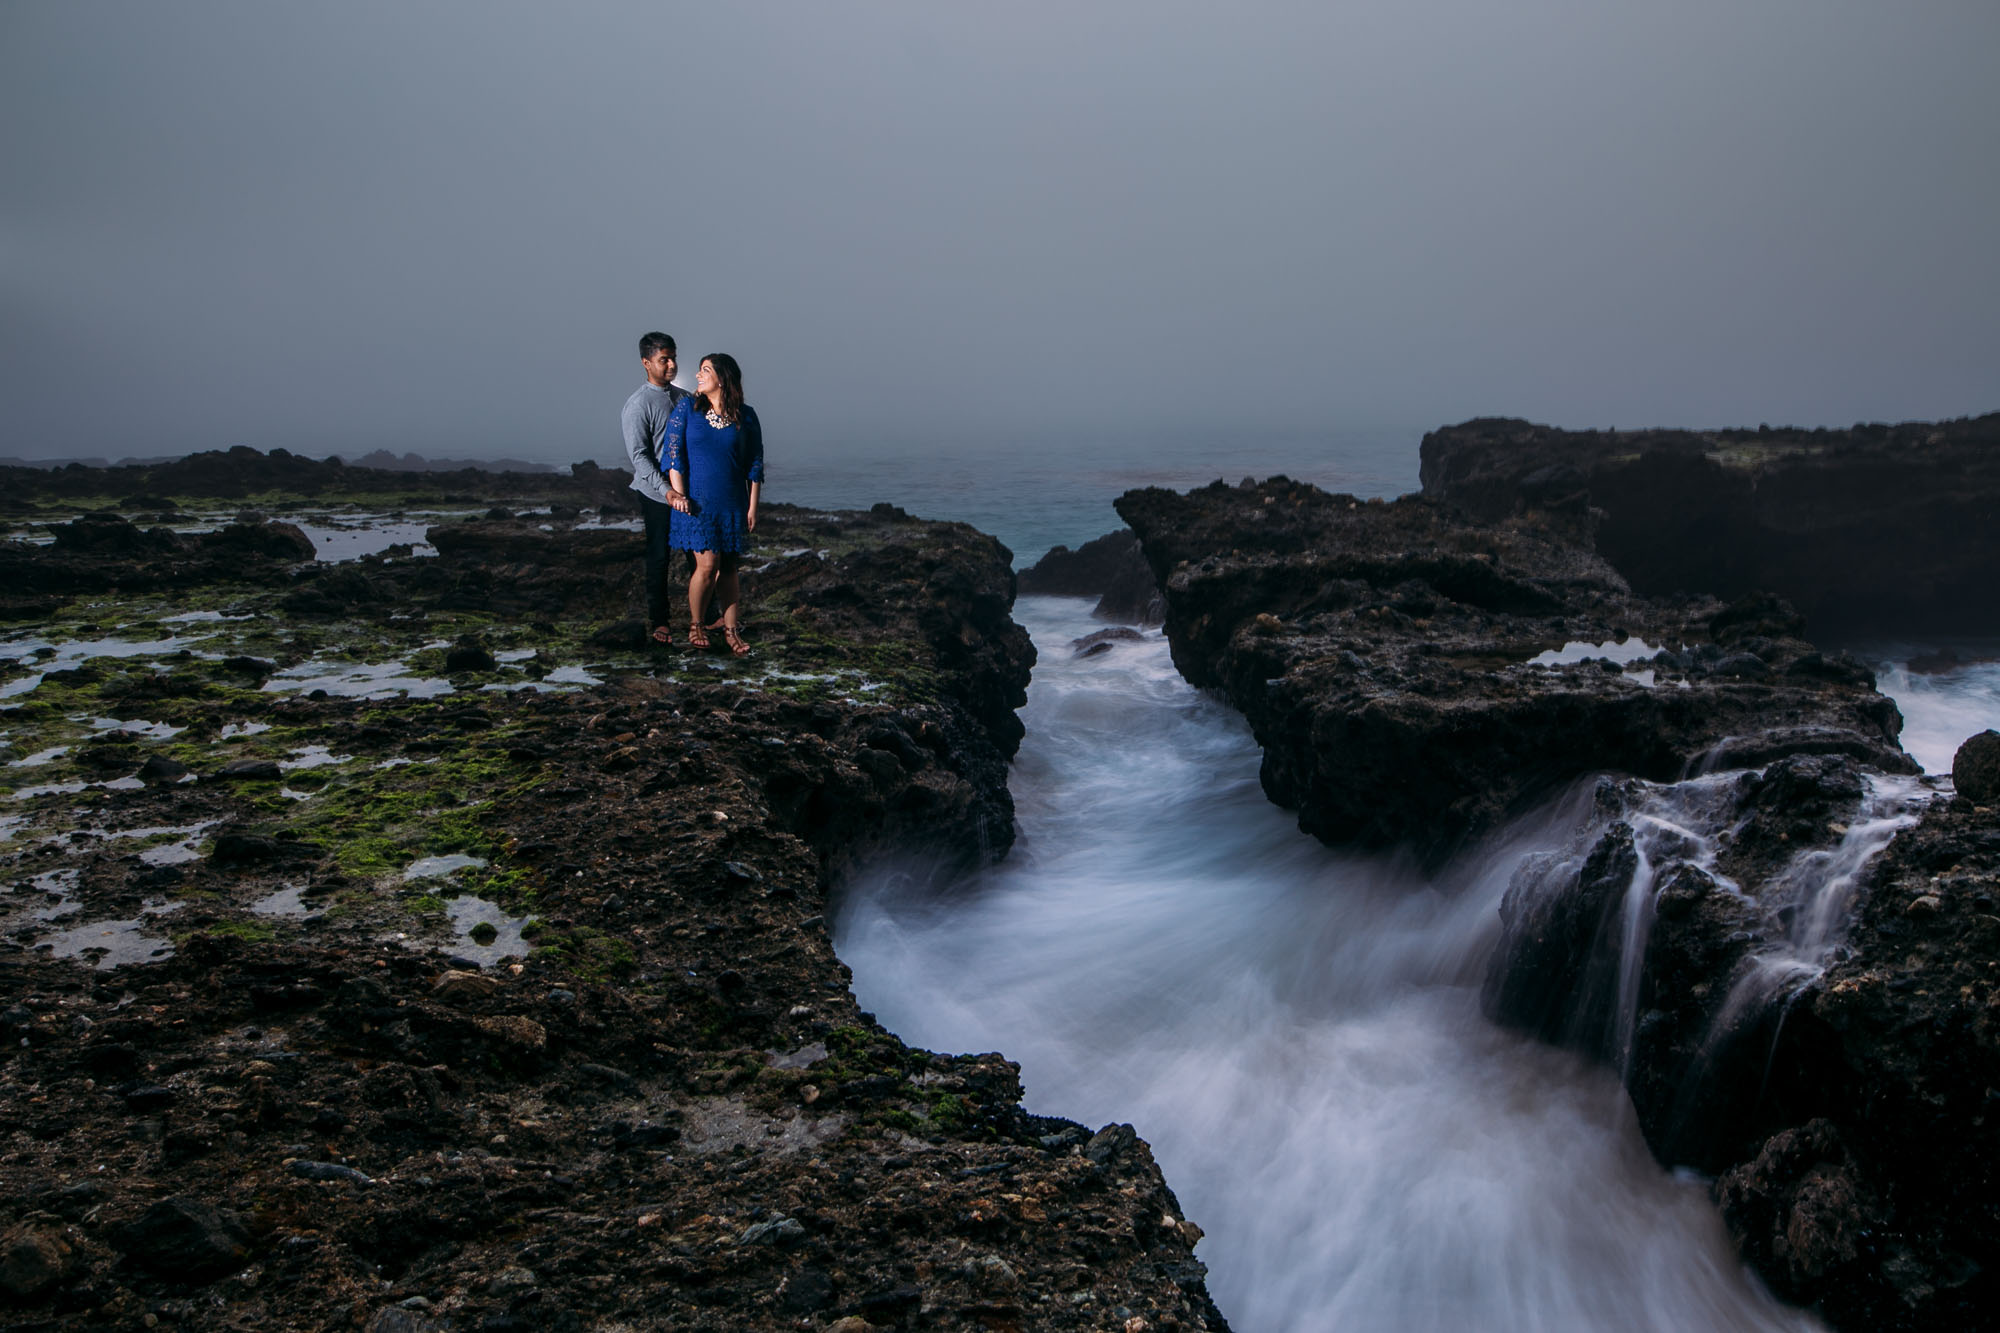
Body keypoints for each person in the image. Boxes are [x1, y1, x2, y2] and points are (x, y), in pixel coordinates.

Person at [663, 353, 763, 654]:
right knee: (707, 564)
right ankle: (696, 624)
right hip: (696, 503)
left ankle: (731, 630)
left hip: (732, 501)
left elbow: (755, 464)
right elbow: (673, 455)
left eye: (705, 370)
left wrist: (752, 507)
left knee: (730, 566)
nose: (697, 375)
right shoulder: (687, 410)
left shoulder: (746, 416)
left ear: (722, 378)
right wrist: (679, 496)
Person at [620, 331, 689, 644]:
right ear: (647, 363)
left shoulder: (685, 398)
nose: (672, 364)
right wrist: (667, 492)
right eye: (664, 359)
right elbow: (639, 457)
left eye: (673, 357)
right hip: (656, 493)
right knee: (660, 556)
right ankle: (660, 621)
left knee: (697, 553)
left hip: (687, 491)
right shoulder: (637, 405)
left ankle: (708, 617)